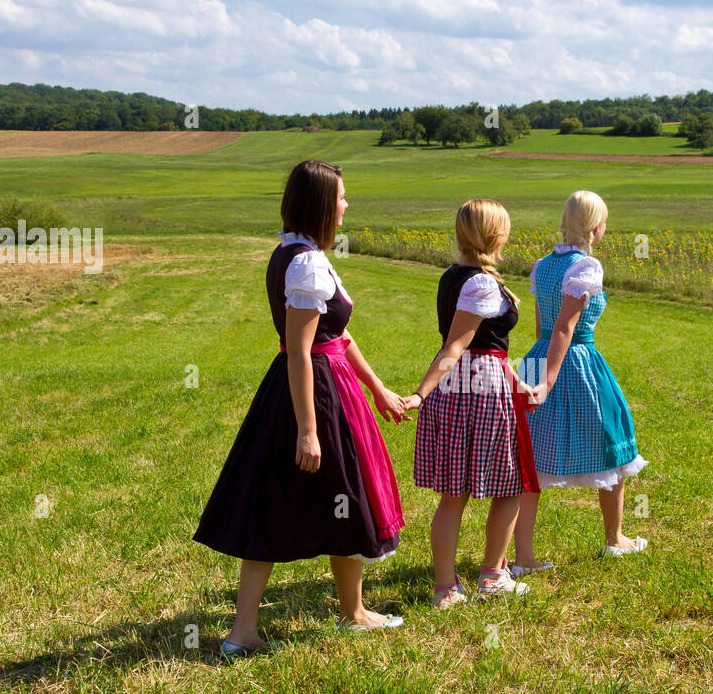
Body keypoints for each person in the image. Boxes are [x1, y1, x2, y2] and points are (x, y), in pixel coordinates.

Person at [194, 160, 411, 660]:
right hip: (315, 394)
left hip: (319, 388)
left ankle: (316, 616)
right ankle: (273, 626)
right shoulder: (307, 263)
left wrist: (377, 388)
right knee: (344, 496)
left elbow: (338, 335)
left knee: (305, 500)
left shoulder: (297, 254)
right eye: (340, 197)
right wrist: (309, 430)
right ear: (320, 204)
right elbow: (300, 348)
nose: (346, 205)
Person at [405, 200, 540, 608]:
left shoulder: (452, 275)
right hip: (479, 390)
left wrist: (519, 383)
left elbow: (485, 342)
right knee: (512, 484)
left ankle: (446, 587)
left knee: (454, 493)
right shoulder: (481, 283)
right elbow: (458, 345)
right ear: (496, 236)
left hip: (464, 387)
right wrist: (419, 393)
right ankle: (491, 576)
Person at [514, 190, 648, 575]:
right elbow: (564, 328)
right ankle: (614, 538)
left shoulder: (543, 266)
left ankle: (523, 558)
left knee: (532, 456)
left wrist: (538, 371)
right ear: (596, 226)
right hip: (577, 361)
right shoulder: (587, 267)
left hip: (539, 358)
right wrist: (550, 380)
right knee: (613, 442)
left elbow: (542, 327)